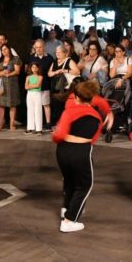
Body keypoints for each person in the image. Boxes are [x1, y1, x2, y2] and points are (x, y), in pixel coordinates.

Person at [52, 81, 103, 232]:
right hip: (81, 151)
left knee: (69, 181)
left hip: (62, 150)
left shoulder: (69, 111)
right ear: (92, 98)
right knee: (85, 185)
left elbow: (58, 135)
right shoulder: (96, 116)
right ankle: (69, 220)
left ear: (76, 96)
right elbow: (93, 139)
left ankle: (66, 209)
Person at [0, 44, 22, 131]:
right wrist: (3, 73)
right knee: (1, 104)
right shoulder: (0, 60)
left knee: (12, 104)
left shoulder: (15, 59)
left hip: (12, 84)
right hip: (1, 85)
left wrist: (9, 74)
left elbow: (17, 71)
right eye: (2, 50)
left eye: (5, 49)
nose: (4, 51)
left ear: (9, 49)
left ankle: (12, 123)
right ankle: (1, 123)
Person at [29, 39, 54, 130]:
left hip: (45, 84)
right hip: (34, 85)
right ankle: (36, 123)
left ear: (44, 47)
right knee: (35, 105)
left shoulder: (49, 58)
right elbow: (28, 71)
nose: (38, 49)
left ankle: (48, 123)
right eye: (36, 47)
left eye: (40, 47)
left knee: (46, 104)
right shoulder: (31, 57)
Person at [25, 62, 43, 135]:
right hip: (29, 94)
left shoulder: (40, 77)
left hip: (37, 94)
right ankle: (30, 128)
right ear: (31, 68)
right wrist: (33, 85)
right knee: (30, 110)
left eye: (36, 67)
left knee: (38, 110)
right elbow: (26, 87)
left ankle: (39, 129)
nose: (34, 69)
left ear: (38, 68)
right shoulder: (28, 77)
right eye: (33, 67)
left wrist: (30, 85)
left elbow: (38, 85)